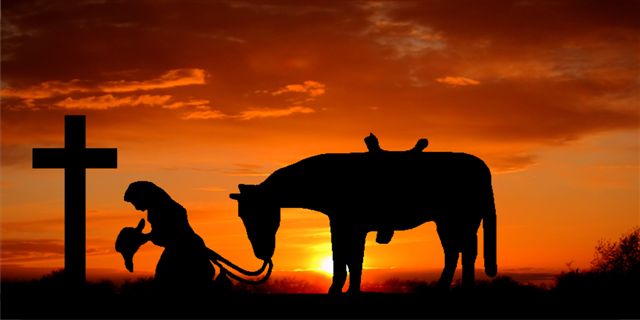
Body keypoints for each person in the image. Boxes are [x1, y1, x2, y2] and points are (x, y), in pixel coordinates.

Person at [123, 181, 218, 294]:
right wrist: (146, 237)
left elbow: (167, 234)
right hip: (184, 249)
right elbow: (162, 234)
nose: (136, 208)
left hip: (185, 251)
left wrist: (145, 237)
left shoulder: (164, 209)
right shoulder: (157, 209)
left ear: (143, 196)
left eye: (134, 202)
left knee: (168, 282)